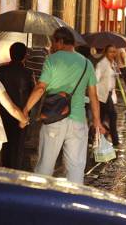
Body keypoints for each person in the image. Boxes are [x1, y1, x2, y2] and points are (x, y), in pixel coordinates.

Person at [23, 27, 105, 184]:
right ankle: (73, 202)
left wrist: (25, 110)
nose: (52, 46)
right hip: (78, 121)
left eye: (53, 42)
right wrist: (97, 121)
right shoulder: (87, 64)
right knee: (76, 168)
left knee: (45, 166)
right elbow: (94, 96)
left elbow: (40, 88)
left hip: (54, 119)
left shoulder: (52, 60)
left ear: (60, 41)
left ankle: (39, 201)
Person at [0, 42, 35, 169]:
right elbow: (32, 93)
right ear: (25, 56)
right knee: (18, 147)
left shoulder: (0, 70)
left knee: (5, 145)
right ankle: (15, 171)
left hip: (3, 113)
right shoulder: (28, 73)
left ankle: (5, 168)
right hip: (21, 114)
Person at [96, 44, 120, 147]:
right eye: (110, 51)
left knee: (101, 118)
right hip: (102, 94)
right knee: (113, 115)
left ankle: (96, 138)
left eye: (114, 51)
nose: (112, 54)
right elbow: (95, 79)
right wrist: (95, 95)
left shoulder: (113, 63)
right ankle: (115, 140)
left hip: (109, 93)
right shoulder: (102, 64)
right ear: (106, 52)